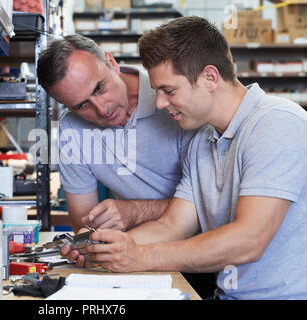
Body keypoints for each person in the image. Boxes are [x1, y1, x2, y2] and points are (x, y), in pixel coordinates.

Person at [84, 16, 307, 300]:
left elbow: (249, 240)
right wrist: (102, 249)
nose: (161, 103)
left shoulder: (276, 124)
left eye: (169, 90)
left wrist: (141, 256)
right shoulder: (202, 142)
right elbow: (172, 226)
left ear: (210, 77)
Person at [36, 34, 197, 262]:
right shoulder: (72, 128)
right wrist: (88, 244)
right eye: (82, 105)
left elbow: (209, 203)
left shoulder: (172, 99)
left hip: (201, 252)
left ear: (111, 63)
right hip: (136, 254)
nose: (101, 109)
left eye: (99, 88)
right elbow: (85, 223)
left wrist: (135, 211)